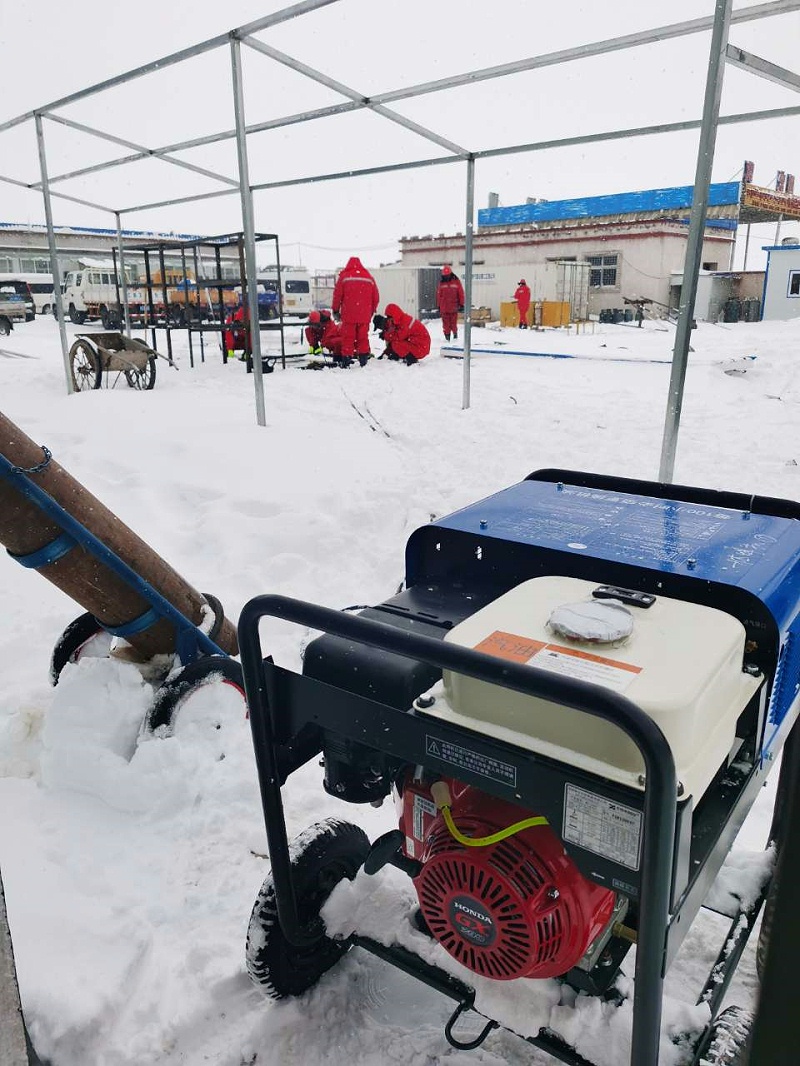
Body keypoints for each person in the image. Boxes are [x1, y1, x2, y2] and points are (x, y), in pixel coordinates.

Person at [331, 256, 380, 367]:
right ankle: (363, 360)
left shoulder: (344, 277)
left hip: (349, 315)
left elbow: (337, 296)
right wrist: (370, 311)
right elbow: (376, 298)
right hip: (364, 315)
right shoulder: (369, 277)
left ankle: (346, 361)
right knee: (363, 338)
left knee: (348, 338)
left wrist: (335, 310)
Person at [436, 264, 465, 342]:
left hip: (453, 307)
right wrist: (438, 305)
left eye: (447, 275)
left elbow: (461, 293)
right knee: (446, 325)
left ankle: (455, 336)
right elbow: (439, 295)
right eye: (445, 275)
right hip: (444, 308)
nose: (446, 277)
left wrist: (462, 304)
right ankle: (447, 338)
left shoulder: (456, 282)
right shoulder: (441, 283)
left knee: (453, 323)